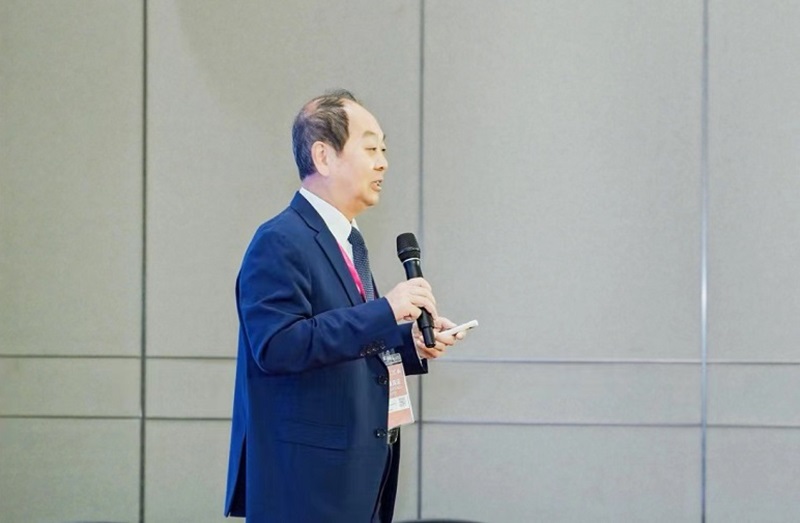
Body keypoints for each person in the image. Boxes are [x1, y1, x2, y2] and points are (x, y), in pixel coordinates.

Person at [224, 89, 464, 522]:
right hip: (305, 487)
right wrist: (385, 310)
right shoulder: (280, 240)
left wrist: (408, 342)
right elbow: (277, 345)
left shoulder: (348, 242)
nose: (383, 162)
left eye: (384, 149)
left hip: (354, 480)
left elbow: (346, 340)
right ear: (323, 156)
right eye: (370, 148)